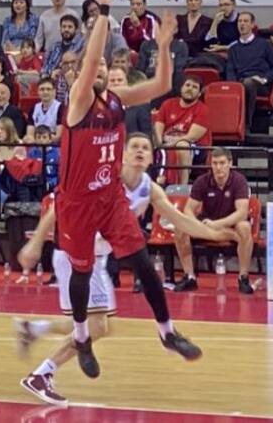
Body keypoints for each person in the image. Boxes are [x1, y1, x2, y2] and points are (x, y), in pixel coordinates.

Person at [13, 133, 222, 407]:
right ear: (121, 154)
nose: (139, 150)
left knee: (100, 326)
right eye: (134, 146)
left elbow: (179, 220)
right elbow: (55, 209)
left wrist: (211, 232)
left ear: (151, 157)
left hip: (98, 259)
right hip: (73, 255)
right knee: (98, 325)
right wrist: (36, 243)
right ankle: (42, 374)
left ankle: (34, 330)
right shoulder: (102, 179)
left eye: (145, 147)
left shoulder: (149, 188)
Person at [56, 0, 199, 378]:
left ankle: (167, 331)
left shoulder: (118, 100)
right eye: (96, 65)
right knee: (83, 273)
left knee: (141, 262)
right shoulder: (78, 102)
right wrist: (104, 11)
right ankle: (82, 336)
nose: (99, 67)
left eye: (106, 64)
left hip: (109, 197)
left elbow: (163, 83)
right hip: (77, 202)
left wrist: (165, 46)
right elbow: (88, 58)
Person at [171, 147, 256, 294]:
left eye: (222, 163)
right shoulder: (202, 181)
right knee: (180, 227)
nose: (218, 167)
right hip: (207, 224)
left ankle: (243, 277)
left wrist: (217, 225)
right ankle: (189, 277)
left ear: (230, 163)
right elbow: (188, 210)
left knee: (244, 227)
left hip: (229, 224)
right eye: (215, 163)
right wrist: (197, 226)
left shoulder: (239, 180)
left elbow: (241, 213)